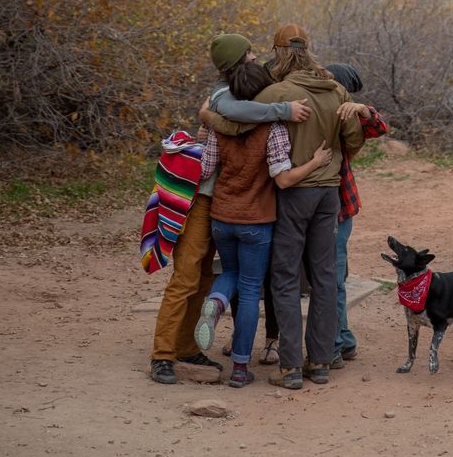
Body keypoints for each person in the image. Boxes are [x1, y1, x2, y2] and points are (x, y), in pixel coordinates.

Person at [147, 33, 309, 385]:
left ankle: (186, 345)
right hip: (201, 199)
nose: (255, 56)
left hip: (221, 202)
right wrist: (281, 112)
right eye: (249, 52)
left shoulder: (242, 90)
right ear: (239, 60)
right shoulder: (223, 95)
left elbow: (238, 121)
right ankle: (162, 354)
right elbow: (236, 118)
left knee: (206, 276)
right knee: (187, 276)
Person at [194, 56, 332, 387]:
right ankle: (241, 368)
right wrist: (315, 162)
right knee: (252, 286)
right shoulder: (273, 129)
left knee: (230, 274)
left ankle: (215, 302)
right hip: (257, 220)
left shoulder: (220, 125)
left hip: (222, 217)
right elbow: (283, 180)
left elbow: (204, 170)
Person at [261, 24, 364, 388]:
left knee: (286, 276)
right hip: (328, 193)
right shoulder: (337, 90)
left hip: (293, 192)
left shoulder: (276, 92)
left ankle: (290, 367)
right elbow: (353, 141)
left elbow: (241, 125)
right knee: (324, 276)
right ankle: (320, 362)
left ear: (279, 53)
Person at [325, 63, 388, 368]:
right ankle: (344, 339)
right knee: (334, 277)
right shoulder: (328, 111)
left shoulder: (348, 113)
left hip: (335, 207)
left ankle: (337, 342)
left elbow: (378, 127)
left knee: (333, 278)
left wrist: (362, 109)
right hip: (338, 205)